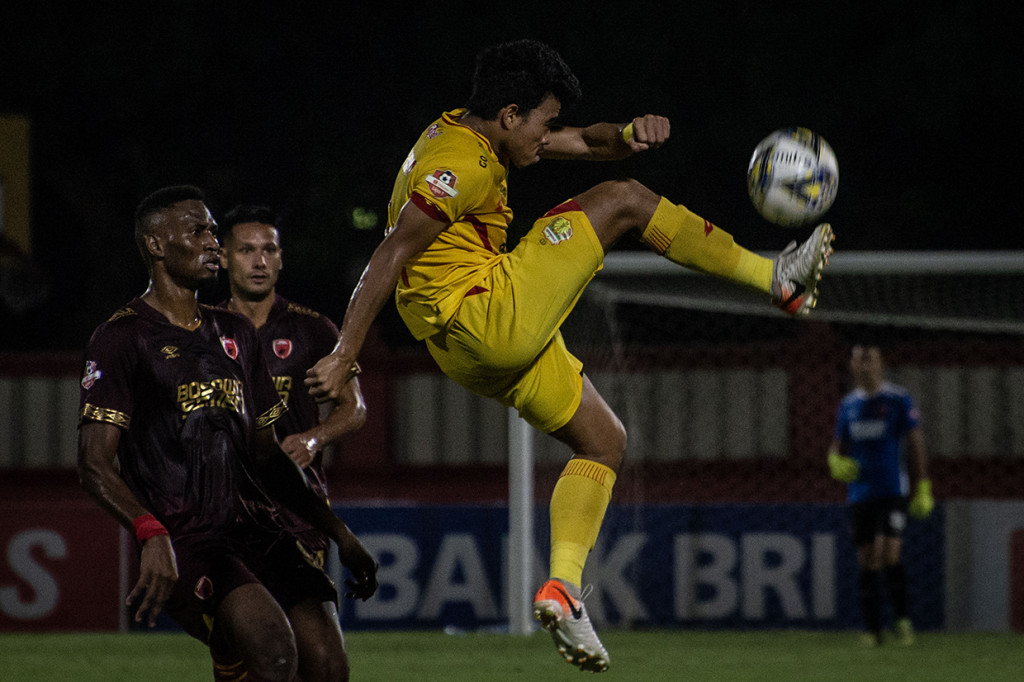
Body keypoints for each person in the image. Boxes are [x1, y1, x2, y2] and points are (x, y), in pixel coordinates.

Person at [305, 39, 834, 672]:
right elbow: (390, 252)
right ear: (508, 115)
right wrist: (344, 354)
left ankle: (564, 589)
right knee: (623, 200)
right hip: (485, 312)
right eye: (542, 122)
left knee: (603, 440)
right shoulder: (459, 163)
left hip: (466, 351)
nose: (546, 135)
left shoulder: (472, 129)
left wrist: (629, 132)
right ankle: (776, 278)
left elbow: (585, 142)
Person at [77, 185, 378, 682]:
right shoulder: (121, 337)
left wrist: (337, 531)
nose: (211, 241)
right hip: (190, 539)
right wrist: (149, 532)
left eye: (213, 231)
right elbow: (93, 464)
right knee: (274, 651)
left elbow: (267, 455)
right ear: (155, 245)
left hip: (262, 529)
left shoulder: (233, 334)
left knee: (327, 664)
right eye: (197, 231)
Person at [218, 204, 367, 570]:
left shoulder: (314, 331)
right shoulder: (205, 332)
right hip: (225, 505)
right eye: (246, 250)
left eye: (269, 250)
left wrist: (314, 439)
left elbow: (355, 408)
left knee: (309, 622)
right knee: (240, 624)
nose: (259, 261)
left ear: (281, 258)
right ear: (223, 258)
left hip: (298, 506)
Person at [827, 343, 933, 647]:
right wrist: (833, 460)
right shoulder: (847, 405)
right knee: (867, 560)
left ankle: (902, 620)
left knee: (888, 553)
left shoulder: (897, 399)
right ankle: (873, 630)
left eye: (870, 360)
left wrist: (922, 485)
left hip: (892, 490)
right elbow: (838, 444)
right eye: (858, 360)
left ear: (880, 364)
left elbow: (915, 442)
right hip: (860, 493)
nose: (864, 366)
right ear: (851, 366)